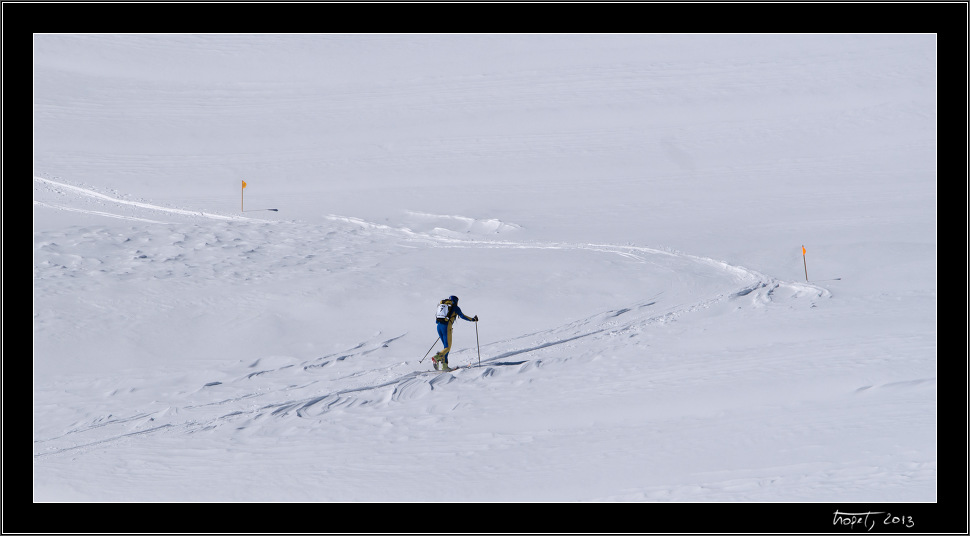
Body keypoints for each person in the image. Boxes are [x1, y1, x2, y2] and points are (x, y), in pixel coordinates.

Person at [432, 295, 477, 371]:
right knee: (447, 347)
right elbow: (462, 316)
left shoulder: (443, 306)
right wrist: (473, 319)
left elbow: (437, 320)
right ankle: (437, 357)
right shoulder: (455, 308)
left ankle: (444, 366)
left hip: (439, 327)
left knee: (445, 348)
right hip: (446, 327)